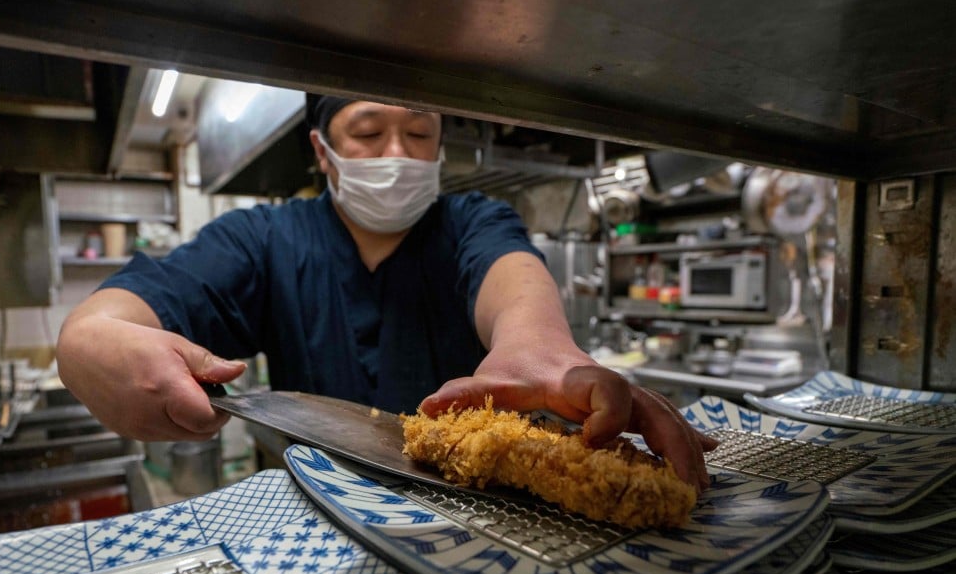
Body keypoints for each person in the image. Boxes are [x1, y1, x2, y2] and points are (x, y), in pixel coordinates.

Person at [56, 94, 715, 493]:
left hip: (482, 521)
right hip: (320, 526)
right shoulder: (264, 239)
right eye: (368, 134)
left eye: (420, 134)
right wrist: (90, 342)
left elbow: (513, 282)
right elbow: (125, 311)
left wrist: (539, 347)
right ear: (322, 148)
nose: (397, 152)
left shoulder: (469, 223)